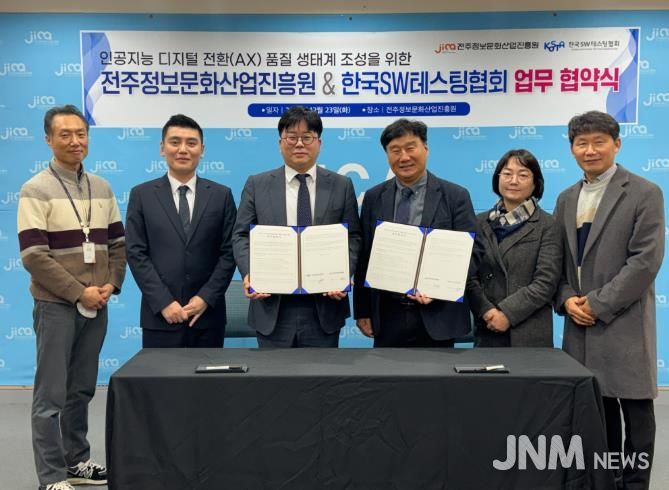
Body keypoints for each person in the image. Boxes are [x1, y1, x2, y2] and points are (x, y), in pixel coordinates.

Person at [17, 105, 126, 490]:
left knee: (80, 389)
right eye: (65, 134)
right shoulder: (35, 189)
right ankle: (51, 476)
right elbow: (34, 256)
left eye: (81, 133)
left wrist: (110, 284)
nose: (75, 141)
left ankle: (76, 460)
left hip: (97, 303)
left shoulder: (102, 187)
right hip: (56, 306)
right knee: (51, 396)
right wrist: (80, 292)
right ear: (49, 139)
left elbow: (118, 244)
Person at [555, 110, 664, 490]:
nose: (590, 150)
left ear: (616, 144)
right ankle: (605, 481)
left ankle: (635, 484)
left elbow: (645, 261)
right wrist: (567, 300)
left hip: (623, 320)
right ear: (572, 149)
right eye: (581, 143)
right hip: (579, 325)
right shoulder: (566, 198)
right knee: (598, 414)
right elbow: (559, 263)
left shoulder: (644, 192)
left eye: (599, 142)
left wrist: (597, 304)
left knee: (636, 413)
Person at [232, 105, 361, 347]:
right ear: (280, 143)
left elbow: (353, 236)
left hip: (324, 306)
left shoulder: (341, 185)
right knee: (272, 372)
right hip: (272, 304)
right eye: (291, 137)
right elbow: (241, 235)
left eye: (307, 137)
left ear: (319, 143)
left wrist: (344, 272)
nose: (299, 144)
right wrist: (250, 273)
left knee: (322, 372)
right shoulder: (257, 185)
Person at [353, 118, 481, 347]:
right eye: (395, 150)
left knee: (438, 372)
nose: (404, 157)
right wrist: (362, 310)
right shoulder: (374, 197)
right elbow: (365, 256)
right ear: (387, 155)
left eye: (410, 147)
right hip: (387, 314)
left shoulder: (455, 196)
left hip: (438, 313)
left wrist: (439, 287)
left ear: (425, 149)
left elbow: (473, 252)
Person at [125, 114, 237, 348]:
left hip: (207, 316)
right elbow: (136, 253)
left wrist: (205, 298)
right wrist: (164, 302)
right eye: (175, 142)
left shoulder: (221, 195)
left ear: (202, 150)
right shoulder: (142, 195)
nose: (183, 149)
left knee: (208, 373)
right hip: (160, 317)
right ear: (162, 148)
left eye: (191, 143)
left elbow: (229, 252)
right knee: (161, 374)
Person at [467, 149, 561, 347]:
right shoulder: (479, 222)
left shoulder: (548, 224)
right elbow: (469, 275)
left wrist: (507, 314)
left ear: (535, 183)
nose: (513, 181)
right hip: (487, 327)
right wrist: (486, 310)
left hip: (529, 331)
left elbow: (546, 281)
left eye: (523, 175)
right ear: (497, 179)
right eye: (507, 174)